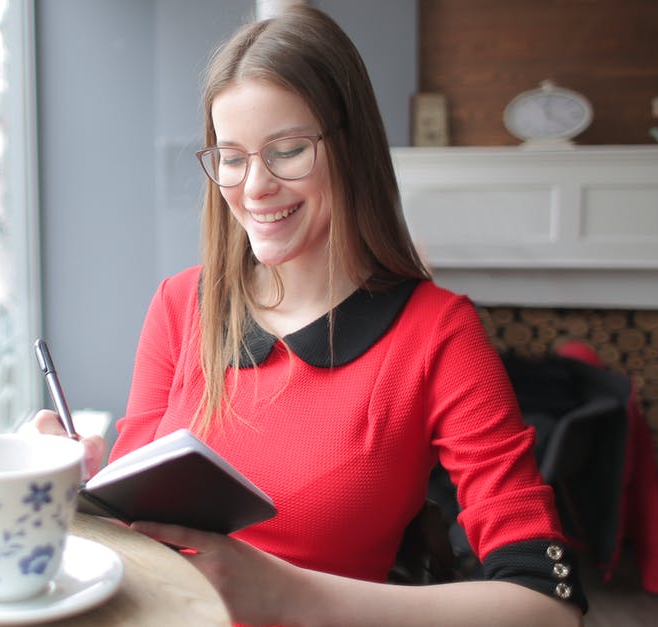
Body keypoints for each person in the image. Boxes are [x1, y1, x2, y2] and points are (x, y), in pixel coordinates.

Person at [34, 6, 587, 626]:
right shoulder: (179, 304)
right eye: (232, 156)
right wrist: (74, 494)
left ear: (351, 147)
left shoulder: (438, 333)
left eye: (288, 150)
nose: (253, 187)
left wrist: (289, 594)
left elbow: (549, 607)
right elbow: (142, 540)